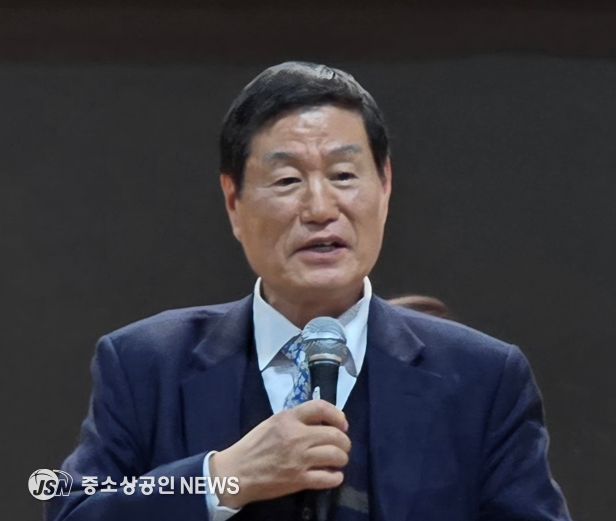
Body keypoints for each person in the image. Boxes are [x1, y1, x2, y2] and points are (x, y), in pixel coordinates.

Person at [46, 61, 571, 521]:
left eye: (343, 175)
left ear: (385, 186)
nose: (320, 208)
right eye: (287, 181)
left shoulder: (483, 379)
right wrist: (221, 479)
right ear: (233, 202)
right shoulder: (145, 364)